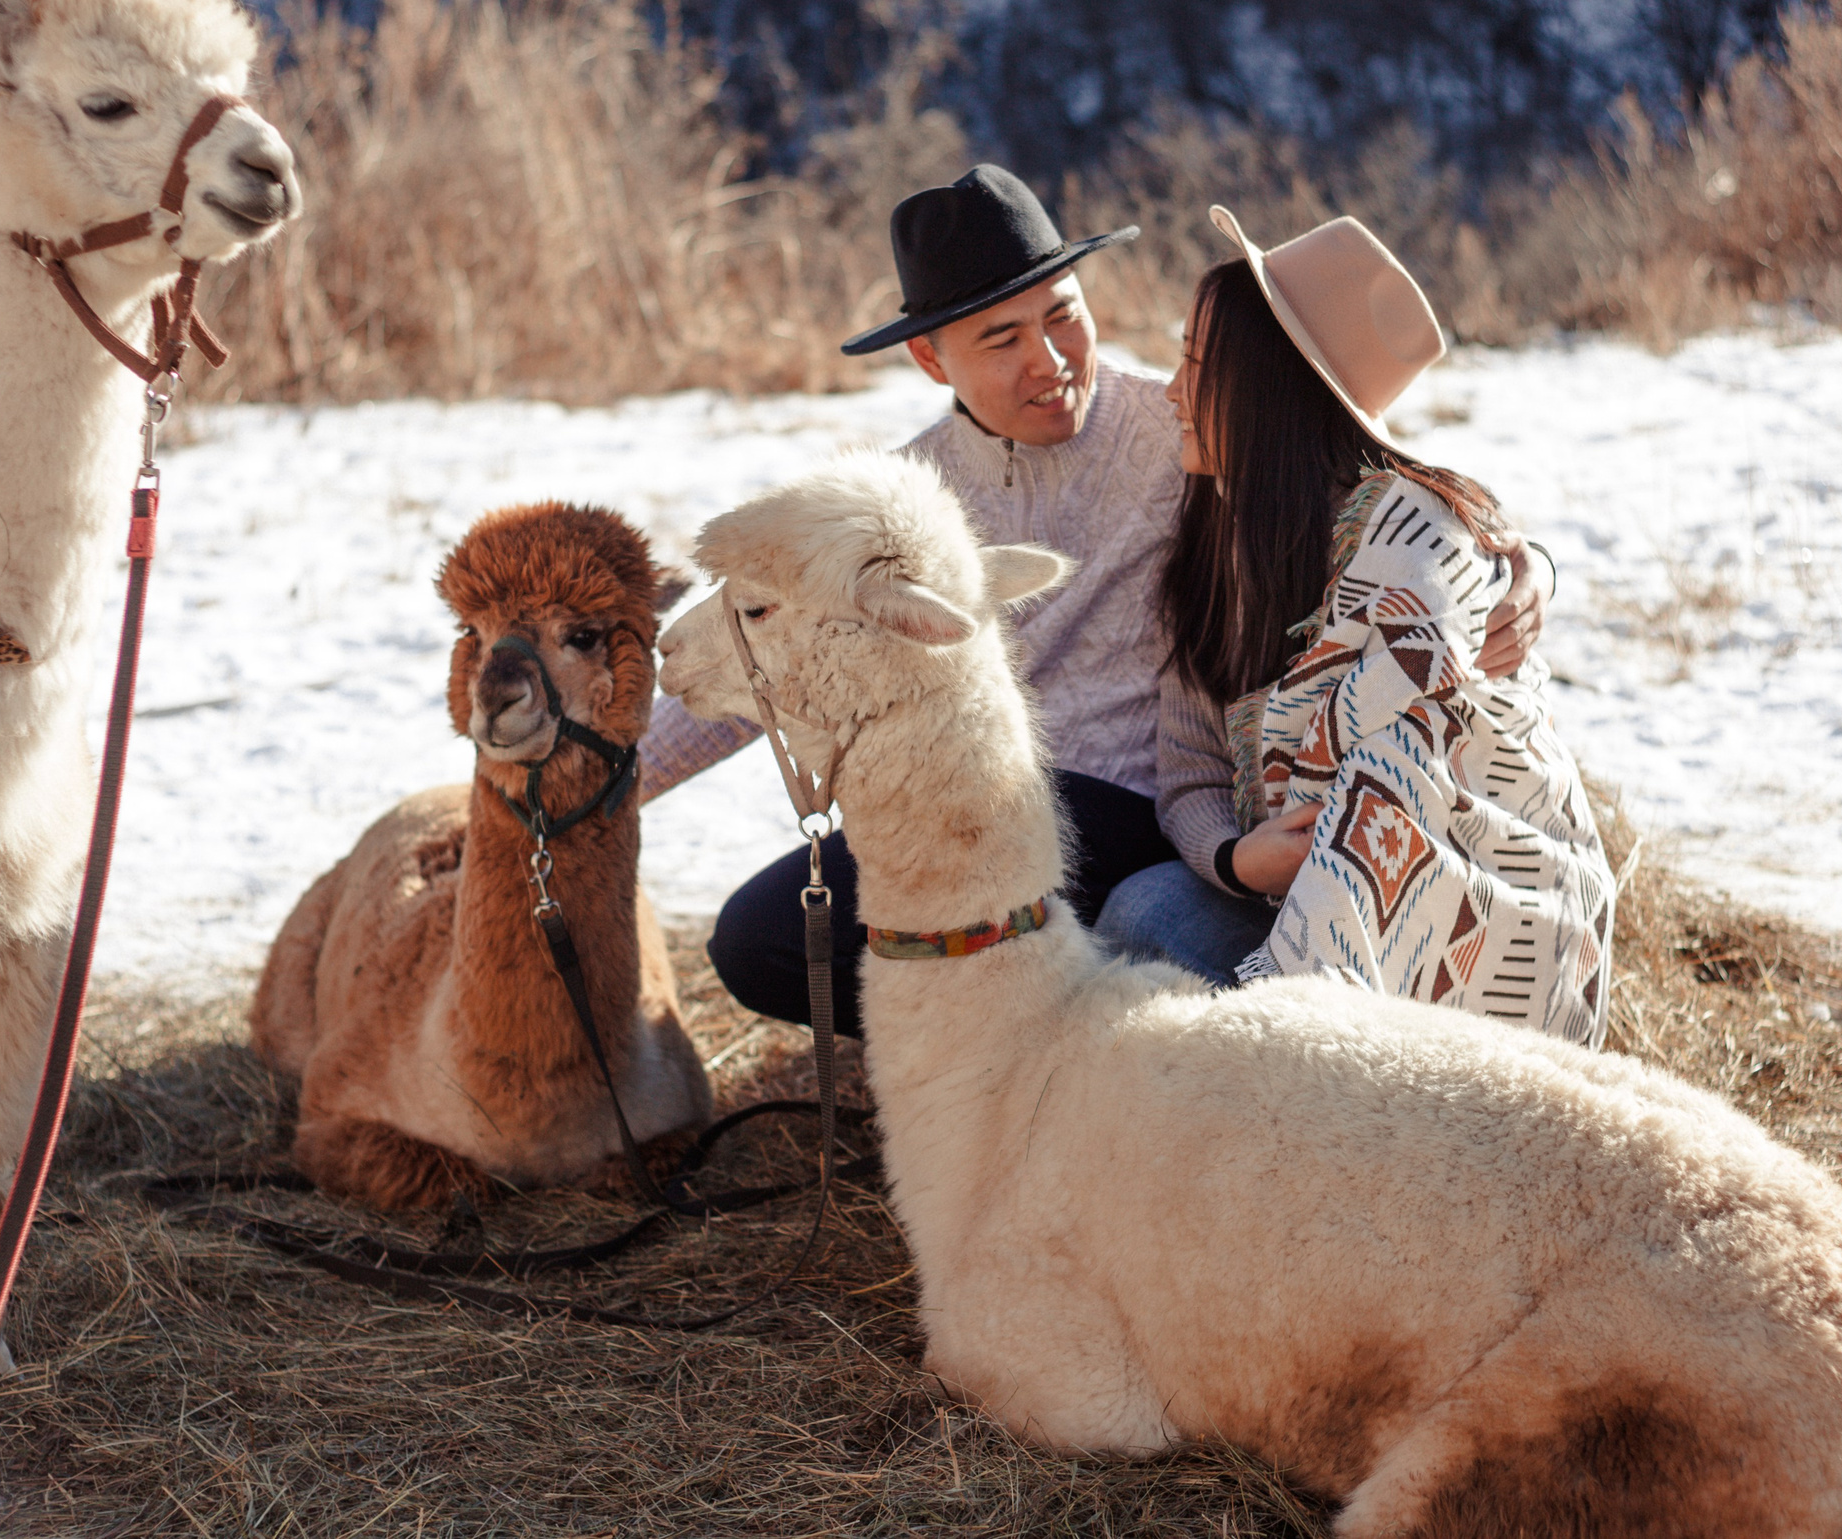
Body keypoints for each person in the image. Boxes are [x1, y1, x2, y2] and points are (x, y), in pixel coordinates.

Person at [638, 167, 1552, 1038]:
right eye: (1001, 340)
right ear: (928, 357)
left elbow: (1380, 487)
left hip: (1146, 810)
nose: (1049, 361)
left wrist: (1524, 568)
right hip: (975, 805)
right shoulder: (902, 499)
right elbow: (772, 642)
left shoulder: (1190, 427)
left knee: (1077, 851)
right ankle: (982, 1054)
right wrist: (603, 778)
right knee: (759, 941)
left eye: (1063, 315)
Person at [1106, 206, 1613, 1041]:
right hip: (1283, 904)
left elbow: (1448, 748)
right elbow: (1191, 768)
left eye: (1195, 364)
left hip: (1449, 921)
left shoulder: (1421, 548)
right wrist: (1238, 859)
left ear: (1270, 387)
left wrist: (1532, 570)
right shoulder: (1213, 543)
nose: (1170, 389)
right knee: (1142, 913)